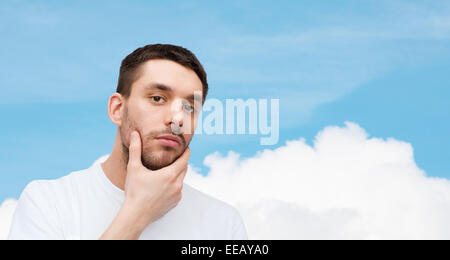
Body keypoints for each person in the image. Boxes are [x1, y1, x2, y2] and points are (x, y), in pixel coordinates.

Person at [8, 44, 248, 240]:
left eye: (189, 107)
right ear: (117, 109)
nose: (177, 118)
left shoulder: (223, 223)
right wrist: (137, 213)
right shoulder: (49, 203)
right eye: (157, 98)